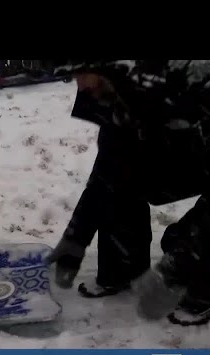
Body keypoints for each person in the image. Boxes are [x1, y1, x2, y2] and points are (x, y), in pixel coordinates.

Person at [45, 60, 210, 326]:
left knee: (191, 250)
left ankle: (201, 290)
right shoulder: (117, 87)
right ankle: (123, 267)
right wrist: (76, 237)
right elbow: (109, 168)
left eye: (82, 73)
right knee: (121, 175)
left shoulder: (191, 82)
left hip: (201, 145)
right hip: (189, 149)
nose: (81, 84)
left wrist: (177, 266)